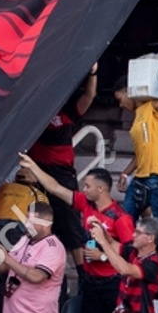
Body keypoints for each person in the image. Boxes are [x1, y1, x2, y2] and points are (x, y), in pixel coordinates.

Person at [20, 156, 130, 313]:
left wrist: (103, 256)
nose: (84, 189)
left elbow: (130, 252)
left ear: (101, 189)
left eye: (87, 186)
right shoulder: (85, 204)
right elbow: (55, 188)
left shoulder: (120, 217)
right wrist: (34, 166)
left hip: (113, 284)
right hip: (89, 283)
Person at [22, 65, 97, 267]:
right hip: (35, 172)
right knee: (37, 223)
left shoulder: (68, 110)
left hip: (62, 175)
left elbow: (89, 96)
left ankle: (83, 275)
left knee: (72, 228)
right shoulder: (32, 112)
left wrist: (92, 73)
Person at [115, 71, 158, 282]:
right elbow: (140, 153)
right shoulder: (138, 115)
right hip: (142, 176)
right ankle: (122, 265)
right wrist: (126, 172)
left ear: (129, 92)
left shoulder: (151, 108)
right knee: (124, 220)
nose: (120, 104)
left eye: (120, 99)